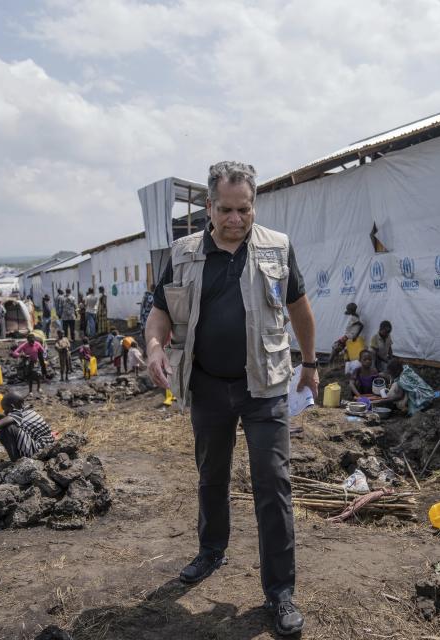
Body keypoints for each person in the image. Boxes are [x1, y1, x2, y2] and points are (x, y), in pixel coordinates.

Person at [145, 161, 316, 636]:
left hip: (264, 388)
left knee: (273, 485)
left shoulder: (277, 247)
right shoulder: (183, 254)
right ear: (208, 206)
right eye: (226, 209)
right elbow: (159, 313)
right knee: (210, 475)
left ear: (254, 204)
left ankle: (280, 593)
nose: (236, 219)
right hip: (207, 386)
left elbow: (300, 308)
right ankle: (211, 551)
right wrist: (155, 348)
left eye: (244, 209)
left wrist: (311, 363)